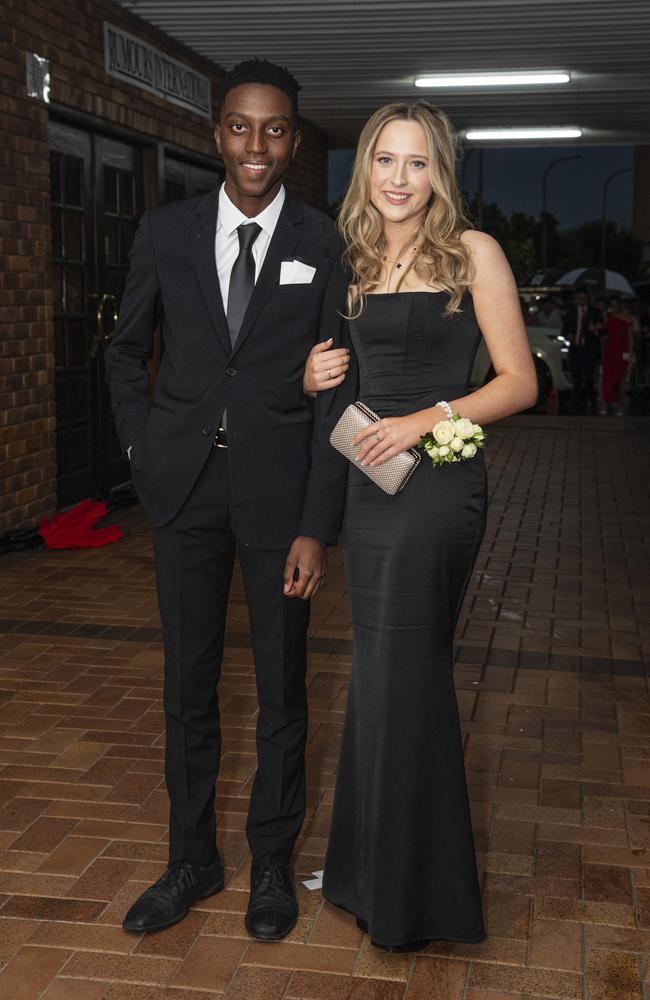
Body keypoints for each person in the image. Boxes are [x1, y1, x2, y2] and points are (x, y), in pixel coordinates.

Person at [105, 58, 353, 941]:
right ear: (217, 133)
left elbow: (335, 396)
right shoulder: (166, 233)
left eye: (276, 129)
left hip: (280, 501)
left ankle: (272, 869)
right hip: (183, 496)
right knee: (187, 688)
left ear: (292, 141)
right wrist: (141, 447)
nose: (257, 144)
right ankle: (191, 862)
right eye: (241, 126)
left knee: (285, 691)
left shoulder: (323, 243)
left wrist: (317, 527)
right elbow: (125, 351)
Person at [303, 100, 537, 951]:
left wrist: (427, 417)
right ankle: (373, 874)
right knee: (382, 675)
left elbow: (519, 383)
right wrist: (314, 368)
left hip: (438, 484)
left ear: (441, 172)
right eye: (385, 161)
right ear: (365, 168)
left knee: (405, 673)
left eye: (418, 163)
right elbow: (337, 374)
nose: (399, 180)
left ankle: (414, 898)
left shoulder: (474, 253)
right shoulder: (355, 255)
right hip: (371, 484)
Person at [561, 286, 602, 414]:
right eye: (578, 298)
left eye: (582, 298)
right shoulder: (571, 312)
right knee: (576, 378)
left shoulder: (595, 312)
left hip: (589, 350)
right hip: (575, 349)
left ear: (587, 299)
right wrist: (568, 336)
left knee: (587, 377)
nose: (580, 300)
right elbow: (564, 330)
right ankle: (577, 406)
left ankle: (592, 402)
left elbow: (602, 330)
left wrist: (595, 328)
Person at [601, 295, 634, 415]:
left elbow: (630, 338)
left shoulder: (627, 318)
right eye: (612, 305)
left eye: (616, 305)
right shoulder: (607, 317)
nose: (613, 307)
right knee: (607, 379)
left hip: (622, 352)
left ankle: (621, 407)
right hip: (609, 351)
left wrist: (630, 353)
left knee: (621, 380)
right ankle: (605, 403)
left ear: (620, 305)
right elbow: (604, 334)